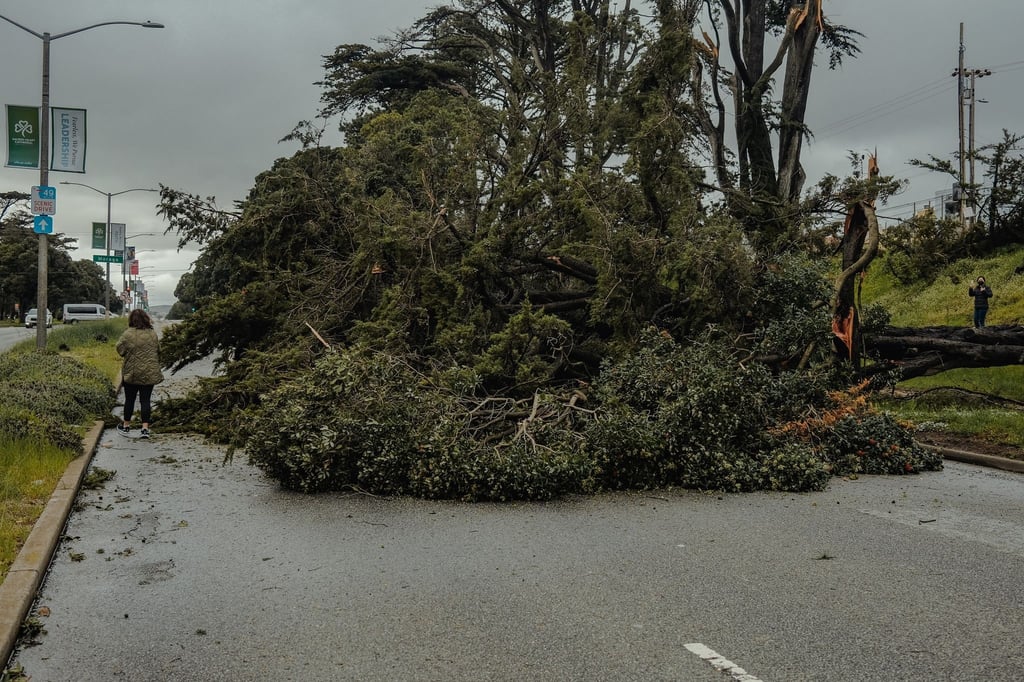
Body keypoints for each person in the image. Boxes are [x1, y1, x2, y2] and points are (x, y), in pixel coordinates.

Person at [116, 309, 164, 439]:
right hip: (149, 372)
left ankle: (126, 426)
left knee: (129, 399)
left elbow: (120, 350)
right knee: (145, 400)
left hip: (132, 373)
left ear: (131, 319)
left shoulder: (127, 334)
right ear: (146, 319)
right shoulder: (152, 334)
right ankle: (145, 429)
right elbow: (158, 350)